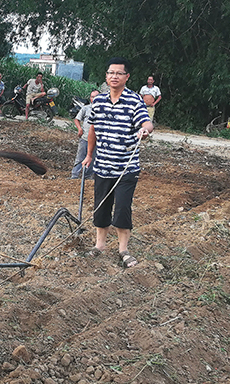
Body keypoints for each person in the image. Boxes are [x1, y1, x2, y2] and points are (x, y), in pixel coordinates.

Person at [82, 57, 153, 268]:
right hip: (102, 166)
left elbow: (146, 122)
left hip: (126, 168)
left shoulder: (134, 101)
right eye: (111, 73)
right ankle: (100, 245)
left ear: (126, 77)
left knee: (122, 208)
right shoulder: (99, 101)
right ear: (106, 76)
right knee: (101, 207)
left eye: (119, 73)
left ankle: (123, 250)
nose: (114, 76)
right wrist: (89, 155)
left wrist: (145, 131)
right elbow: (92, 129)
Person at [71, 89, 100, 180]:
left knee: (93, 158)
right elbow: (76, 119)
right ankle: (75, 176)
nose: (94, 99)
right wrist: (79, 128)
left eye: (96, 97)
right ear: (90, 98)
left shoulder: (103, 110)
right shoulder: (86, 108)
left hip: (96, 140)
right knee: (80, 157)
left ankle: (87, 176)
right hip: (85, 137)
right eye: (92, 97)